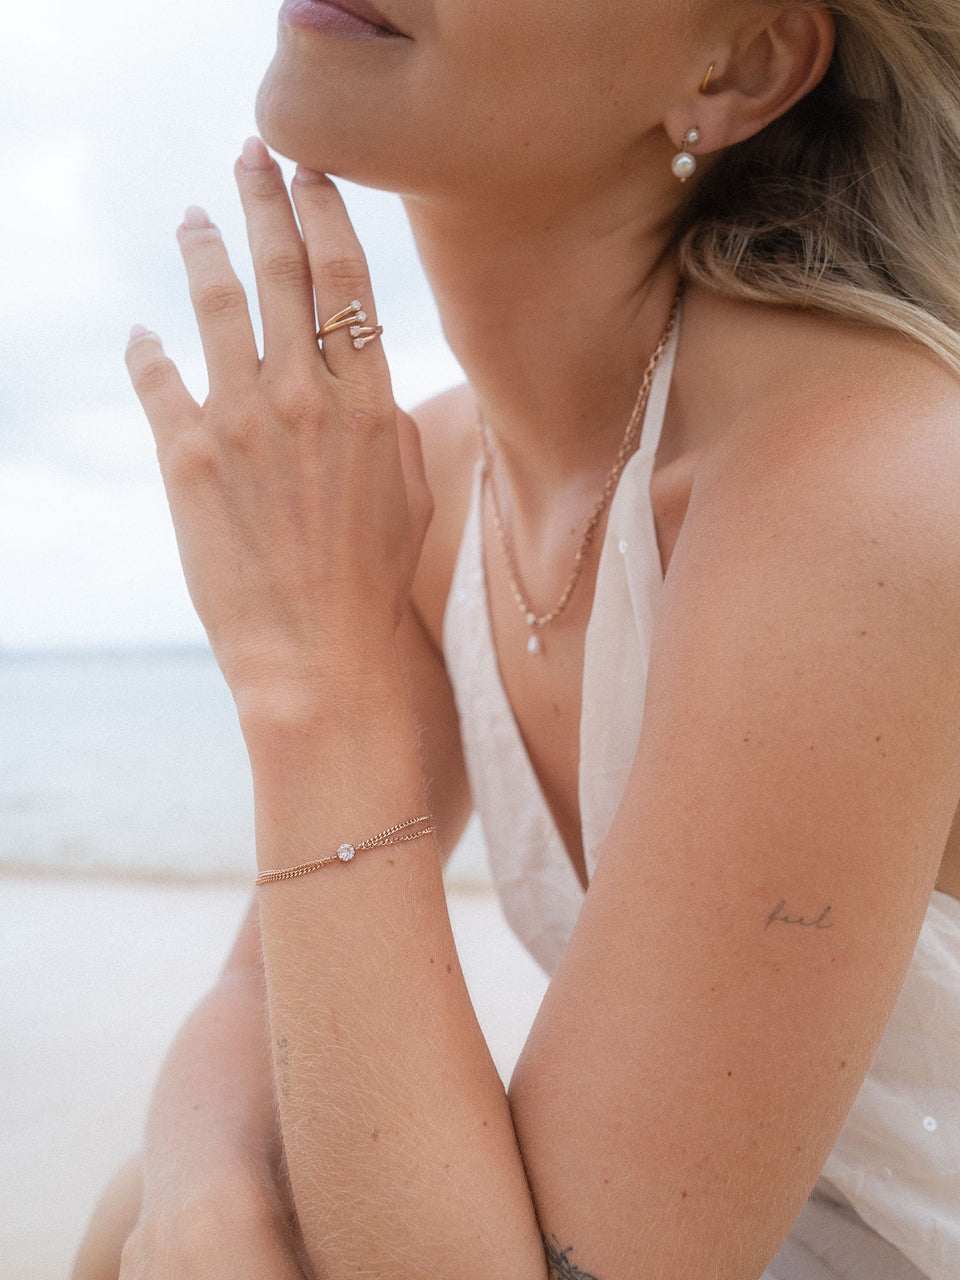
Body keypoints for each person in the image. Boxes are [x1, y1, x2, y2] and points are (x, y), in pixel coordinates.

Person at [73, 0, 960, 1276]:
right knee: (158, 1217)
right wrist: (201, 1185)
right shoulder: (434, 479)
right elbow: (262, 994)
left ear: (742, 65)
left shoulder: (858, 484)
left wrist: (309, 681)